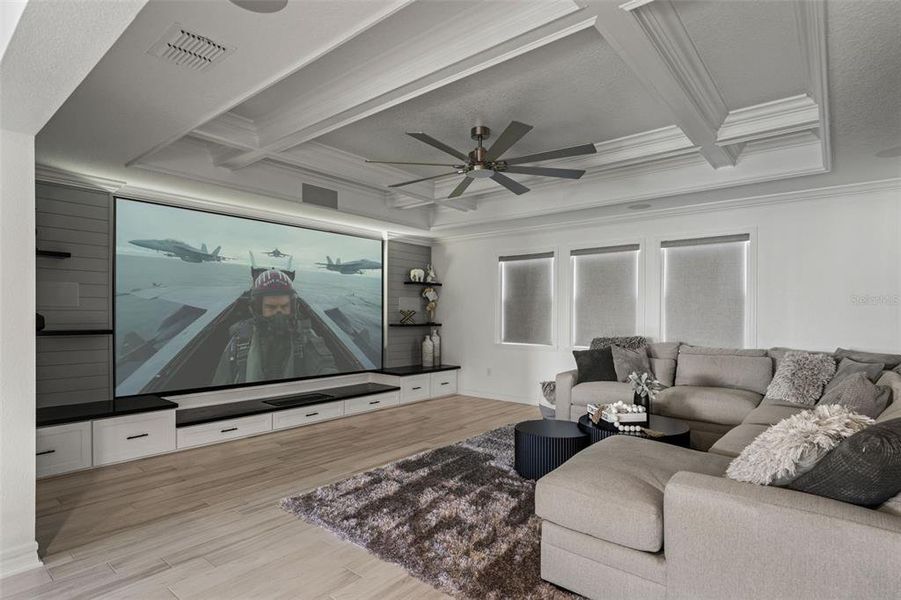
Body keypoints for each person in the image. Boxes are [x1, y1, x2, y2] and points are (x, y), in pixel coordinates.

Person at [212, 269, 337, 385]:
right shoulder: (239, 342)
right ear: (257, 309)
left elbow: (325, 367)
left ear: (292, 308)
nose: (279, 313)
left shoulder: (305, 337)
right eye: (271, 307)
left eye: (284, 307)